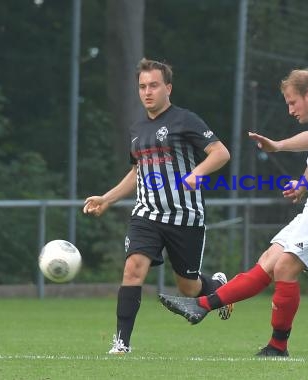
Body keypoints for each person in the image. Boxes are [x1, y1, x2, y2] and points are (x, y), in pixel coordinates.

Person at [159, 68, 308, 357]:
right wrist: (303, 185)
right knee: (268, 260)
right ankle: (204, 306)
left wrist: (279, 145)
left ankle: (273, 344)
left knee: (284, 267)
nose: (290, 109)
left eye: (292, 102)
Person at [83, 58, 232, 354]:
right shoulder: (137, 128)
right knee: (133, 269)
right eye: (142, 86)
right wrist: (107, 198)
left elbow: (221, 152)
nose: (147, 92)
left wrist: (196, 174)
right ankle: (122, 342)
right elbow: (138, 171)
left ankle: (217, 287)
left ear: (168, 88)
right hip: (146, 215)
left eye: (153, 85)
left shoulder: (185, 120)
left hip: (185, 217)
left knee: (188, 288)